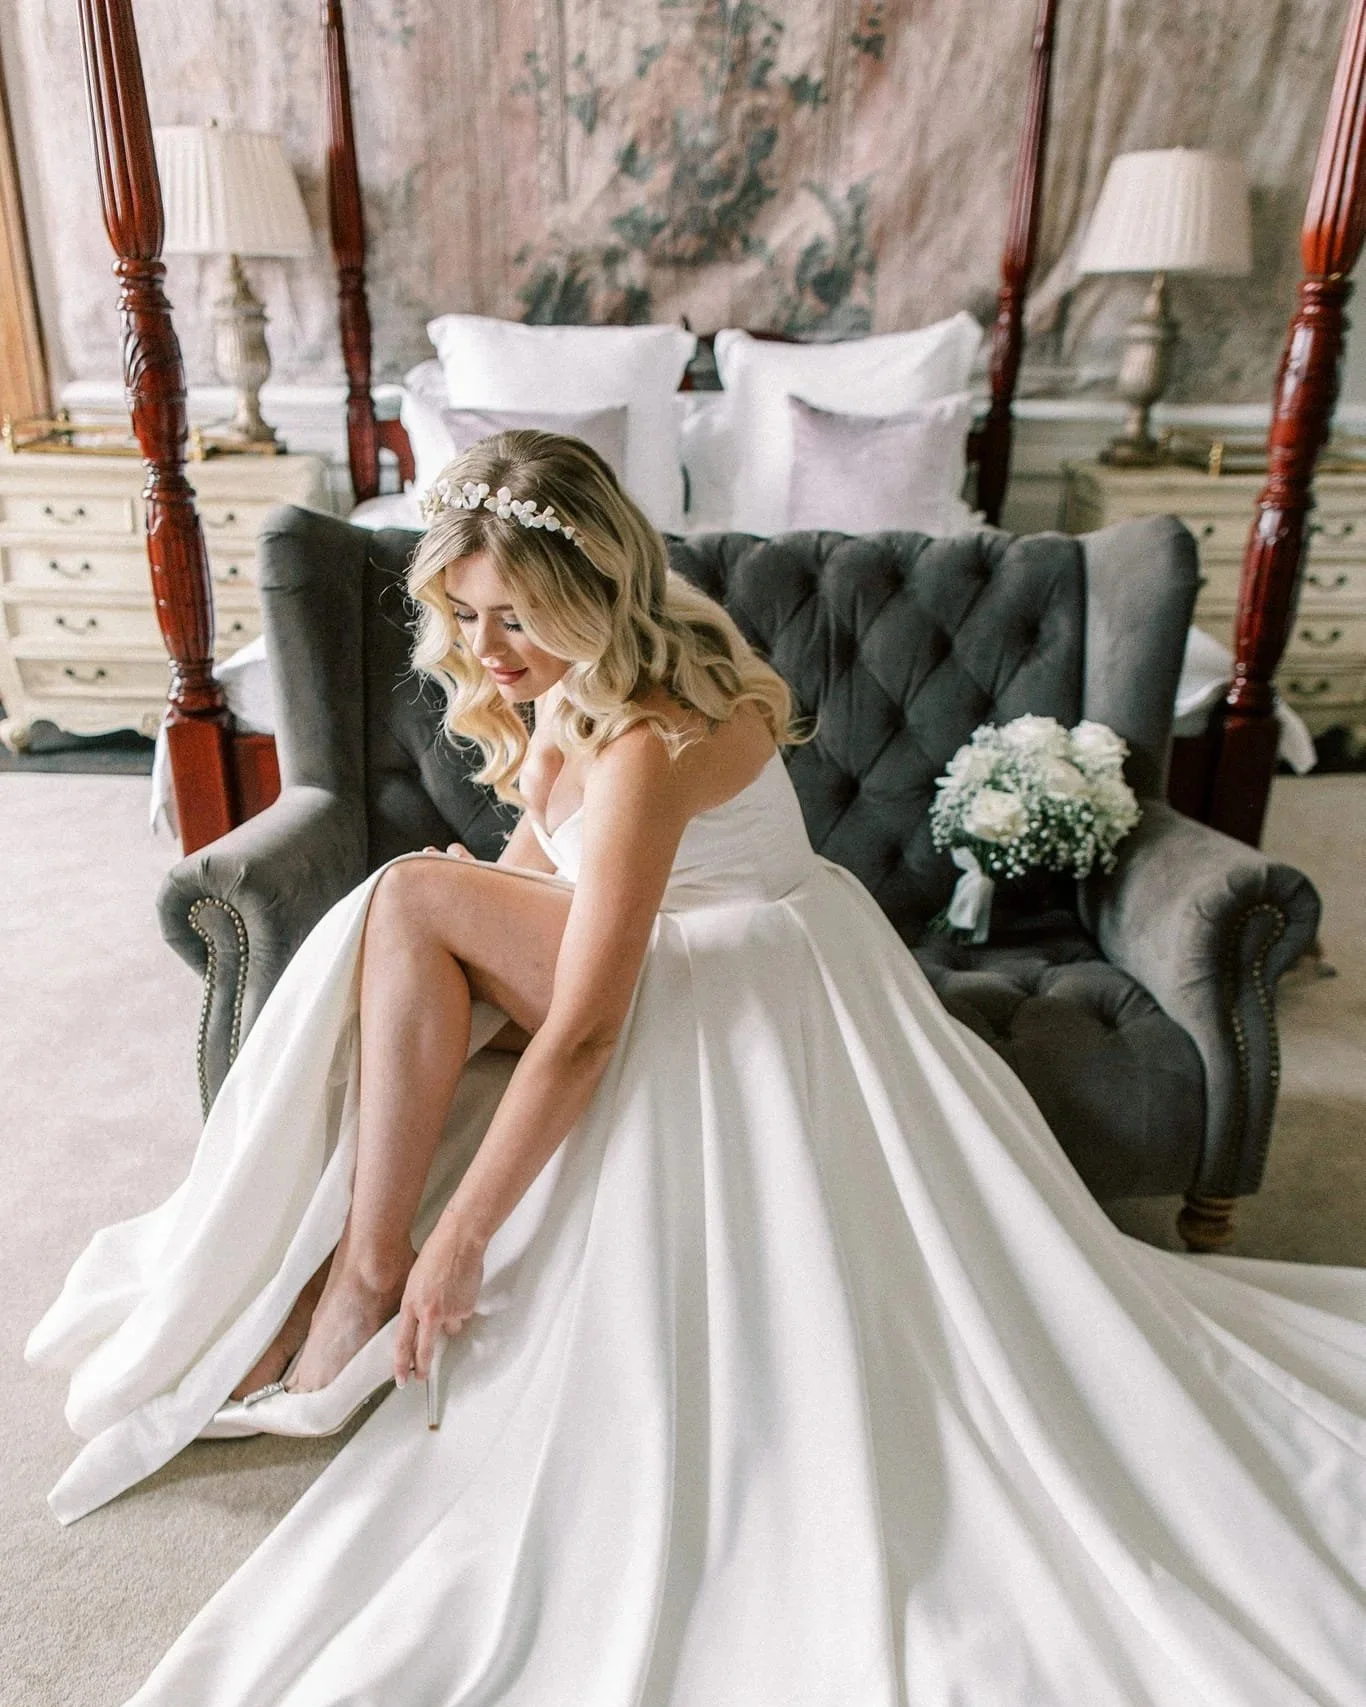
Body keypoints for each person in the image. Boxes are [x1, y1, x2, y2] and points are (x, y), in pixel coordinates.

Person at [27, 432, 1366, 1706]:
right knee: (413, 909)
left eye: (514, 618)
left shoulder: (650, 737)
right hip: (723, 947)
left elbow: (590, 1024)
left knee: (405, 901)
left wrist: (461, 1240)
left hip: (739, 988)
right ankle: (332, 1253)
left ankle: (368, 1270)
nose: (485, 654)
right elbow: (523, 883)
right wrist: (430, 1004)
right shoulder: (577, 678)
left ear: (594, 589)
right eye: (467, 614)